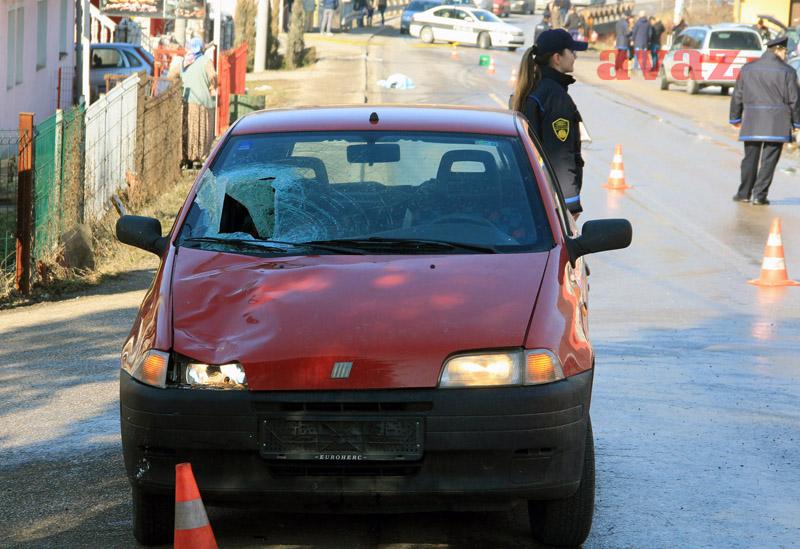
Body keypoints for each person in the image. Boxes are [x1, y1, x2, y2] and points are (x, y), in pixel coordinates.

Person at [511, 29, 588, 216]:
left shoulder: (534, 88)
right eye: (571, 51)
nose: (575, 57)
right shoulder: (554, 97)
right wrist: (571, 204)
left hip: (531, 191)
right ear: (557, 57)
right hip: (549, 197)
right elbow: (560, 155)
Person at [730, 36, 800, 205]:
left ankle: (744, 193)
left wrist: (735, 118)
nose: (786, 55)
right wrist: (797, 123)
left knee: (750, 159)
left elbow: (737, 95)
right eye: (785, 51)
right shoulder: (788, 72)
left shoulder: (747, 69)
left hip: (752, 121)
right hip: (777, 124)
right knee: (769, 161)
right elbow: (795, 100)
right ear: (778, 50)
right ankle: (759, 195)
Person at [179, 38, 217, 168]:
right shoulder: (206, 61)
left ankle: (187, 157)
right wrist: (212, 87)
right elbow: (213, 76)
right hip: (202, 101)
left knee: (188, 128)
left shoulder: (185, 61)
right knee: (201, 128)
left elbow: (175, 76)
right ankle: (198, 158)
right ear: (201, 48)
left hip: (186, 100)